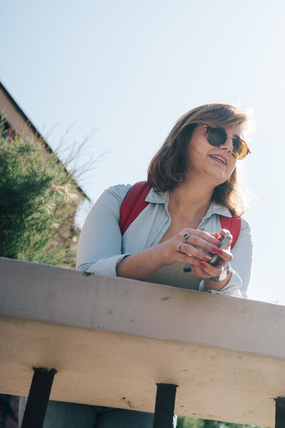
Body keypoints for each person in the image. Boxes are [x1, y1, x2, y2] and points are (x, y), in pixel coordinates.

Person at [27, 103, 255, 428]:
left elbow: (236, 314)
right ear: (183, 135)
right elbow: (86, 278)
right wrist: (163, 254)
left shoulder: (238, 231)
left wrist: (218, 276)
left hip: (151, 389)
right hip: (68, 370)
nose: (226, 147)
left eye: (238, 144)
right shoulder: (118, 200)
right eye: (217, 133)